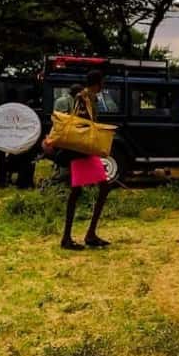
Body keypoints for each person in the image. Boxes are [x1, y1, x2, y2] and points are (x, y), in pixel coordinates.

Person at [52, 71, 113, 251]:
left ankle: (85, 235)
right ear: (97, 83)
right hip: (81, 151)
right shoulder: (84, 97)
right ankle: (72, 237)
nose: (103, 86)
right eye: (102, 82)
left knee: (91, 189)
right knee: (80, 191)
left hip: (85, 150)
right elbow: (79, 122)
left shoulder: (89, 97)